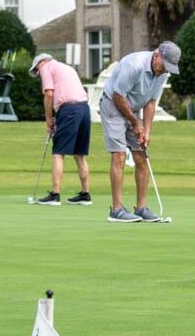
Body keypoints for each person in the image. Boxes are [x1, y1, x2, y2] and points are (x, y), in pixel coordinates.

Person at [98, 41, 181, 223]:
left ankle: (141, 207)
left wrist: (147, 131)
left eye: (169, 68)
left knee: (141, 156)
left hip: (133, 108)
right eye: (165, 66)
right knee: (119, 155)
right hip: (113, 105)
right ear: (157, 55)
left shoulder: (161, 73)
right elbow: (118, 96)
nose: (166, 71)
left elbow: (151, 102)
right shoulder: (133, 65)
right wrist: (136, 123)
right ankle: (117, 209)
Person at [29, 53, 91, 205]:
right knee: (79, 154)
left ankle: (55, 195)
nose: (38, 74)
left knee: (58, 152)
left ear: (42, 62)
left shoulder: (46, 67)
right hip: (84, 109)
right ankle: (85, 194)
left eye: (36, 70)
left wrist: (49, 119)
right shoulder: (66, 67)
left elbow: (49, 94)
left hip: (69, 110)